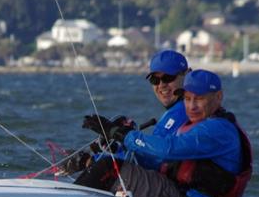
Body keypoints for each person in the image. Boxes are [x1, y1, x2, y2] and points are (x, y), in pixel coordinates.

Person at [110, 69, 252, 197]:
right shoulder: (195, 125)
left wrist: (127, 136)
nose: (191, 106)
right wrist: (116, 146)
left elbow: (167, 149)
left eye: (199, 99)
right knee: (112, 169)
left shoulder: (218, 129)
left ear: (218, 97)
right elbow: (156, 162)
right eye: (187, 98)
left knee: (108, 170)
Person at [67, 49, 190, 186]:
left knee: (107, 166)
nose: (161, 85)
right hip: (171, 186)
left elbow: (153, 159)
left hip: (180, 196)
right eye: (155, 80)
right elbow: (150, 157)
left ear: (187, 74)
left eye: (168, 78)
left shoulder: (185, 111)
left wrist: (94, 159)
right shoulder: (176, 111)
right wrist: (117, 148)